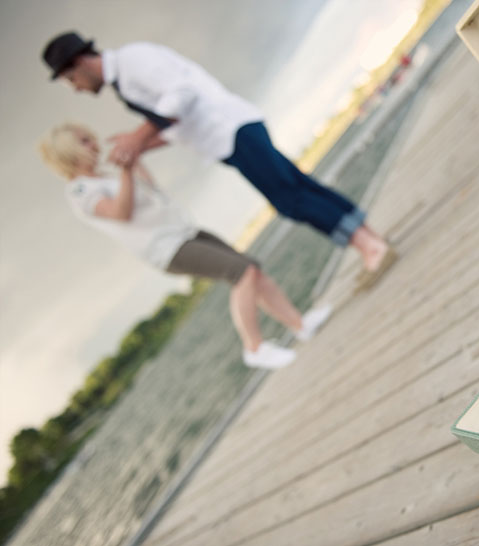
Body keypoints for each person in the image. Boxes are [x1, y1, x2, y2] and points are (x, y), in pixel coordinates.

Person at [41, 31, 397, 286]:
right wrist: (142, 145)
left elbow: (182, 95)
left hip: (231, 131)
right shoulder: (125, 80)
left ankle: (370, 247)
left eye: (71, 80)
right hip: (229, 137)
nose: (75, 88)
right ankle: (370, 239)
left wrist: (138, 136)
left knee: (290, 199)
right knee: (298, 187)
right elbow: (175, 122)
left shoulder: (133, 62)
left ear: (78, 64)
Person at [39, 122, 332, 370]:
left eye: (89, 138)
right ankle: (254, 348)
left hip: (183, 231)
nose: (93, 143)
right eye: (84, 141)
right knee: (241, 273)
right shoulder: (80, 191)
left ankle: (300, 325)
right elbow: (120, 212)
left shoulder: (106, 177)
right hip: (166, 248)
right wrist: (126, 172)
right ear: (69, 151)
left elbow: (150, 191)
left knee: (253, 271)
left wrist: (135, 160)